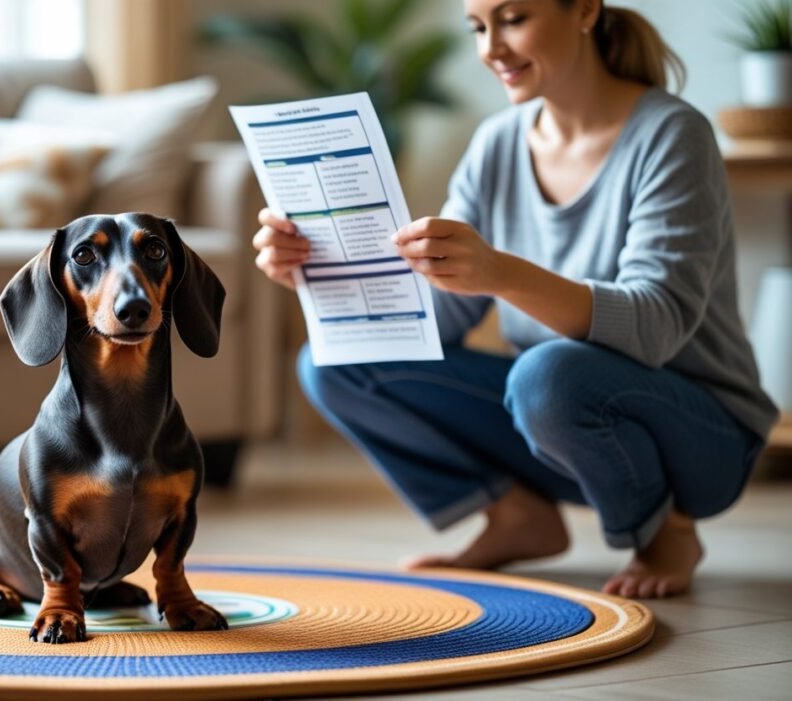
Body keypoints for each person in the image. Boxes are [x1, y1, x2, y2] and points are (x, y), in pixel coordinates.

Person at [252, 0, 778, 599]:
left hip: (700, 442)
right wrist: (321, 275)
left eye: (513, 18)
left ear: (584, 9)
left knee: (546, 375)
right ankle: (514, 516)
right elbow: (439, 322)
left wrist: (501, 273)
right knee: (331, 361)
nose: (490, 49)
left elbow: (655, 328)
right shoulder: (498, 143)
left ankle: (666, 530)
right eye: (478, 27)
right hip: (562, 426)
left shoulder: (671, 134)